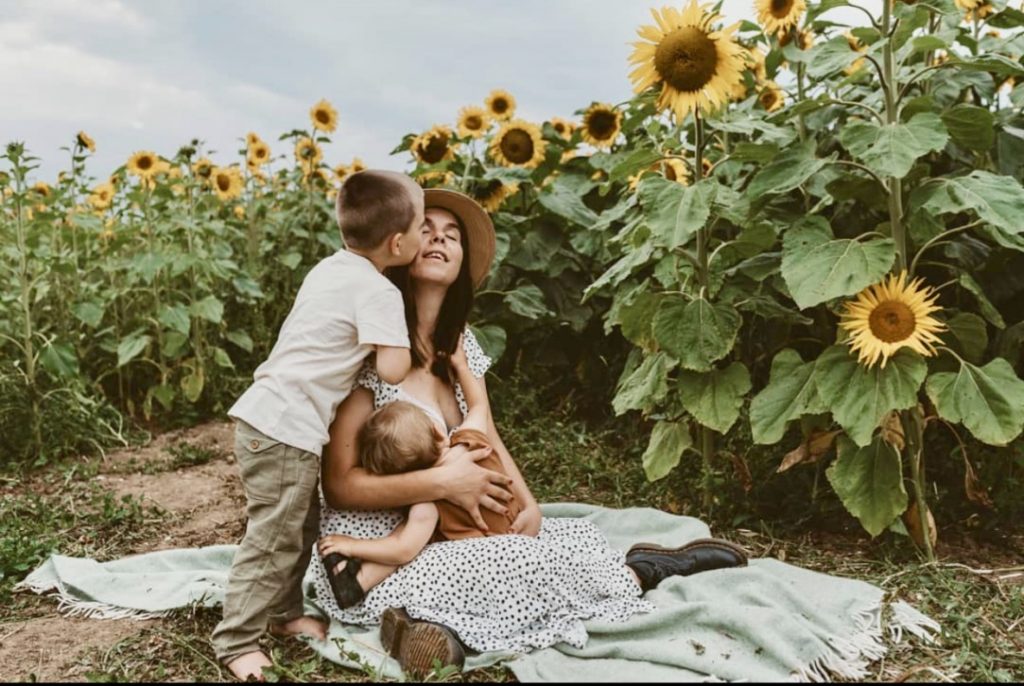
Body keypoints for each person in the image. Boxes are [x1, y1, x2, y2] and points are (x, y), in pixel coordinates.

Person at [311, 189, 748, 678]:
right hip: (379, 550)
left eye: (452, 235)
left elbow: (486, 433)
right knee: (510, 565)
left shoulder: (460, 347)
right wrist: (443, 484)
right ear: (400, 246)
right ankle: (637, 575)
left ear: (462, 263)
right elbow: (340, 485)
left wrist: (528, 502)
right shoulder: (375, 345)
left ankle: (638, 567)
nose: (439, 238)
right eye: (426, 229)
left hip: (462, 530)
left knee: (553, 543)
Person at [211, 170, 424, 682]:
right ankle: (236, 641)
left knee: (298, 528)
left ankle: (284, 615)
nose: (423, 236)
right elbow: (393, 368)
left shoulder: (330, 269)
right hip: (288, 429)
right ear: (398, 243)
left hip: (271, 419)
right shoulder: (379, 291)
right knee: (274, 537)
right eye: (421, 226)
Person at [318, 331, 520, 610]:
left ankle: (360, 579)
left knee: (413, 541)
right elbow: (479, 407)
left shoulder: (426, 503)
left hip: (478, 551)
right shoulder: (469, 443)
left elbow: (403, 548)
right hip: (507, 536)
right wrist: (462, 366)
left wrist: (351, 545)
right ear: (438, 430)